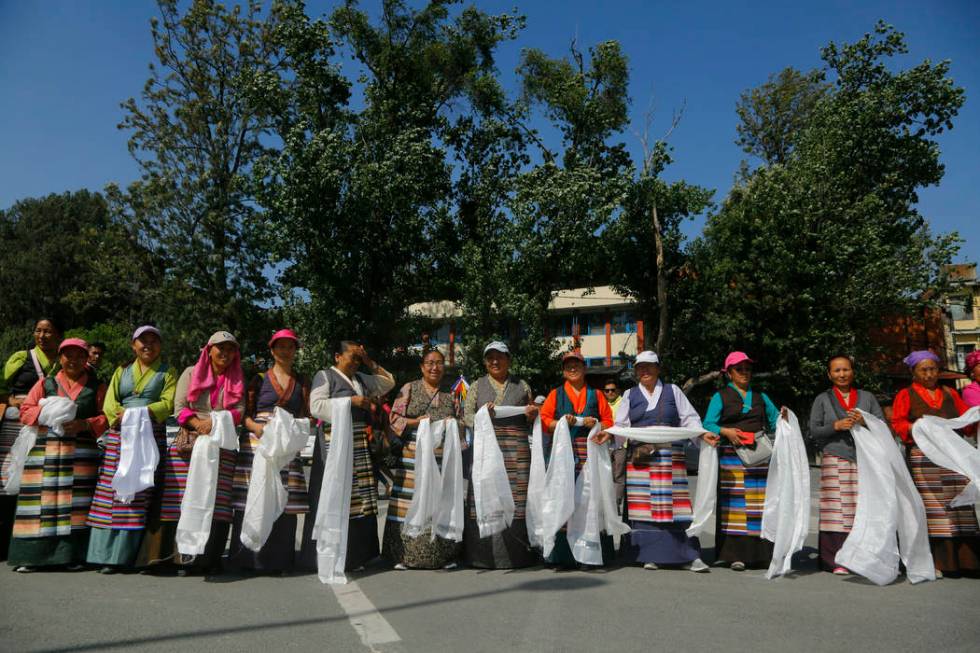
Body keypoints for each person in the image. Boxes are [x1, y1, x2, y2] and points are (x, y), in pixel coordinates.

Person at [136, 330, 245, 575]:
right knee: (177, 499)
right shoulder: (190, 373)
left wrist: (215, 423)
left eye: (230, 350)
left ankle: (205, 560)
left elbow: (239, 409)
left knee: (217, 501)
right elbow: (179, 407)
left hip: (220, 443)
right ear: (209, 350)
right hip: (188, 442)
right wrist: (199, 424)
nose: (225, 354)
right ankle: (172, 558)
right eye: (220, 348)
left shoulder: (237, 378)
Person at [598, 351, 711, 572]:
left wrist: (702, 435)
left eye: (649, 366)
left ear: (658, 368)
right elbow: (621, 425)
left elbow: (690, 419)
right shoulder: (630, 395)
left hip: (672, 457)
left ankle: (687, 555)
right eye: (640, 368)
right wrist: (610, 435)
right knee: (644, 508)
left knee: (675, 506)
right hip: (641, 458)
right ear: (636, 372)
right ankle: (647, 554)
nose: (645, 371)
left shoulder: (674, 391)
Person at [9, 338, 107, 571]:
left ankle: (70, 556)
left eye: (78, 356)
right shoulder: (46, 383)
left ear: (86, 359)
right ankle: (31, 557)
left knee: (76, 505)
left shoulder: (96, 386)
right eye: (67, 355)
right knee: (39, 503)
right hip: (44, 451)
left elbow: (106, 416)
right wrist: (49, 414)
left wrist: (84, 423)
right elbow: (25, 411)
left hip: (81, 453)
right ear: (60, 357)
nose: (73, 360)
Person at [85, 326, 176, 573]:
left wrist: (140, 412)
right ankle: (103, 554)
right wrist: (119, 416)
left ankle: (128, 556)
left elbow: (168, 403)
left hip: (148, 434)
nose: (148, 345)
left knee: (139, 492)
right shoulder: (121, 371)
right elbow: (110, 402)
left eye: (154, 341)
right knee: (110, 491)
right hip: (120, 434)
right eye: (142, 341)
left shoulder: (168, 373)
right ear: (133, 345)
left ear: (161, 346)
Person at [299, 341, 395, 572]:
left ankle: (362, 554)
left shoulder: (361, 378)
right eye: (351, 357)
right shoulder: (324, 376)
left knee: (362, 496)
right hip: (335, 442)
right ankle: (328, 551)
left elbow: (388, 382)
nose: (355, 362)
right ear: (337, 357)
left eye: (358, 359)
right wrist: (349, 401)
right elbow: (316, 406)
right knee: (335, 494)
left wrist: (369, 360)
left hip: (360, 440)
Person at [227, 329, 310, 574]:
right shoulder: (258, 379)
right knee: (253, 494)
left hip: (286, 445)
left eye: (290, 347)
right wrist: (257, 428)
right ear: (272, 350)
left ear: (295, 350)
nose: (285, 351)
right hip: (257, 442)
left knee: (284, 499)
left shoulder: (302, 381)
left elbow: (306, 414)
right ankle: (246, 559)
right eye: (280, 346)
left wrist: (290, 432)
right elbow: (244, 413)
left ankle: (278, 561)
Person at [890, 350, 978, 577]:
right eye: (923, 370)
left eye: (933, 369)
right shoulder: (906, 395)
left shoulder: (949, 393)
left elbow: (965, 423)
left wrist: (972, 420)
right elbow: (898, 423)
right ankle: (941, 562)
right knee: (934, 507)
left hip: (951, 459)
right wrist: (917, 427)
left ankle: (968, 561)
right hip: (924, 459)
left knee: (961, 504)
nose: (929, 374)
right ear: (913, 373)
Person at [382, 348, 463, 570]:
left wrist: (453, 424)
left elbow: (461, 421)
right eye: (430, 363)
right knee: (408, 502)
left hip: (441, 459)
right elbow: (394, 419)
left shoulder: (451, 392)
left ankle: (444, 556)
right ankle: (403, 556)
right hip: (412, 458)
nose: (434, 367)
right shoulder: (409, 388)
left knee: (441, 501)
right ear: (421, 366)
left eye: (439, 363)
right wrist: (416, 422)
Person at [461, 341, 539, 569]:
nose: (495, 362)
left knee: (517, 497)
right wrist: (484, 414)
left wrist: (532, 414)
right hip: (487, 447)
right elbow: (466, 416)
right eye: (490, 358)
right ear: (485, 362)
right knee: (485, 494)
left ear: (509, 360)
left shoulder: (522, 385)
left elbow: (530, 415)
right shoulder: (476, 386)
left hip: (517, 449)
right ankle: (483, 556)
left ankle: (519, 555)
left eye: (500, 357)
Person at [703, 351, 780, 571]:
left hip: (760, 459)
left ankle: (763, 555)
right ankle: (734, 555)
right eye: (739, 369)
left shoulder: (761, 397)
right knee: (734, 507)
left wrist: (784, 418)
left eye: (748, 369)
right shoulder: (720, 397)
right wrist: (726, 431)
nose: (744, 373)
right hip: (732, 459)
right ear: (729, 373)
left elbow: (775, 423)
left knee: (760, 506)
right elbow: (707, 423)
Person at [808, 354, 885, 575]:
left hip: (865, 459)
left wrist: (865, 421)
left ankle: (865, 556)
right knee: (837, 510)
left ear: (853, 371)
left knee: (863, 507)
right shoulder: (822, 399)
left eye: (846, 370)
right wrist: (837, 425)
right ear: (829, 374)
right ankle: (836, 559)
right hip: (834, 457)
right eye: (837, 371)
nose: (842, 374)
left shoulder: (867, 397)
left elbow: (882, 425)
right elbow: (814, 430)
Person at [539, 351, 615, 567]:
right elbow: (545, 421)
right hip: (563, 454)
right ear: (563, 370)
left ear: (584, 368)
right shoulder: (556, 394)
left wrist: (597, 424)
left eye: (577, 365)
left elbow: (609, 420)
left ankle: (591, 553)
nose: (572, 369)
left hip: (589, 454)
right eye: (568, 366)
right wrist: (562, 422)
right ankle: (562, 555)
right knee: (563, 497)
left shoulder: (597, 394)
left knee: (589, 500)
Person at [0, 318, 62, 560]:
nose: (42, 335)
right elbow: (2, 385)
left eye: (48, 331)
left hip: (47, 422)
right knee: (8, 478)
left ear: (58, 335)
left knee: (38, 478)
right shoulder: (21, 357)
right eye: (38, 330)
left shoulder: (65, 359)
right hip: (17, 423)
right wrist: (10, 399)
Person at [602, 379, 628, 513]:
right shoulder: (603, 404)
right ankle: (607, 503)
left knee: (618, 476)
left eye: (613, 390)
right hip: (605, 444)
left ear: (618, 391)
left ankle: (615, 504)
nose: (610, 392)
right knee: (606, 475)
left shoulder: (624, 402)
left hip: (620, 444)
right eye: (607, 390)